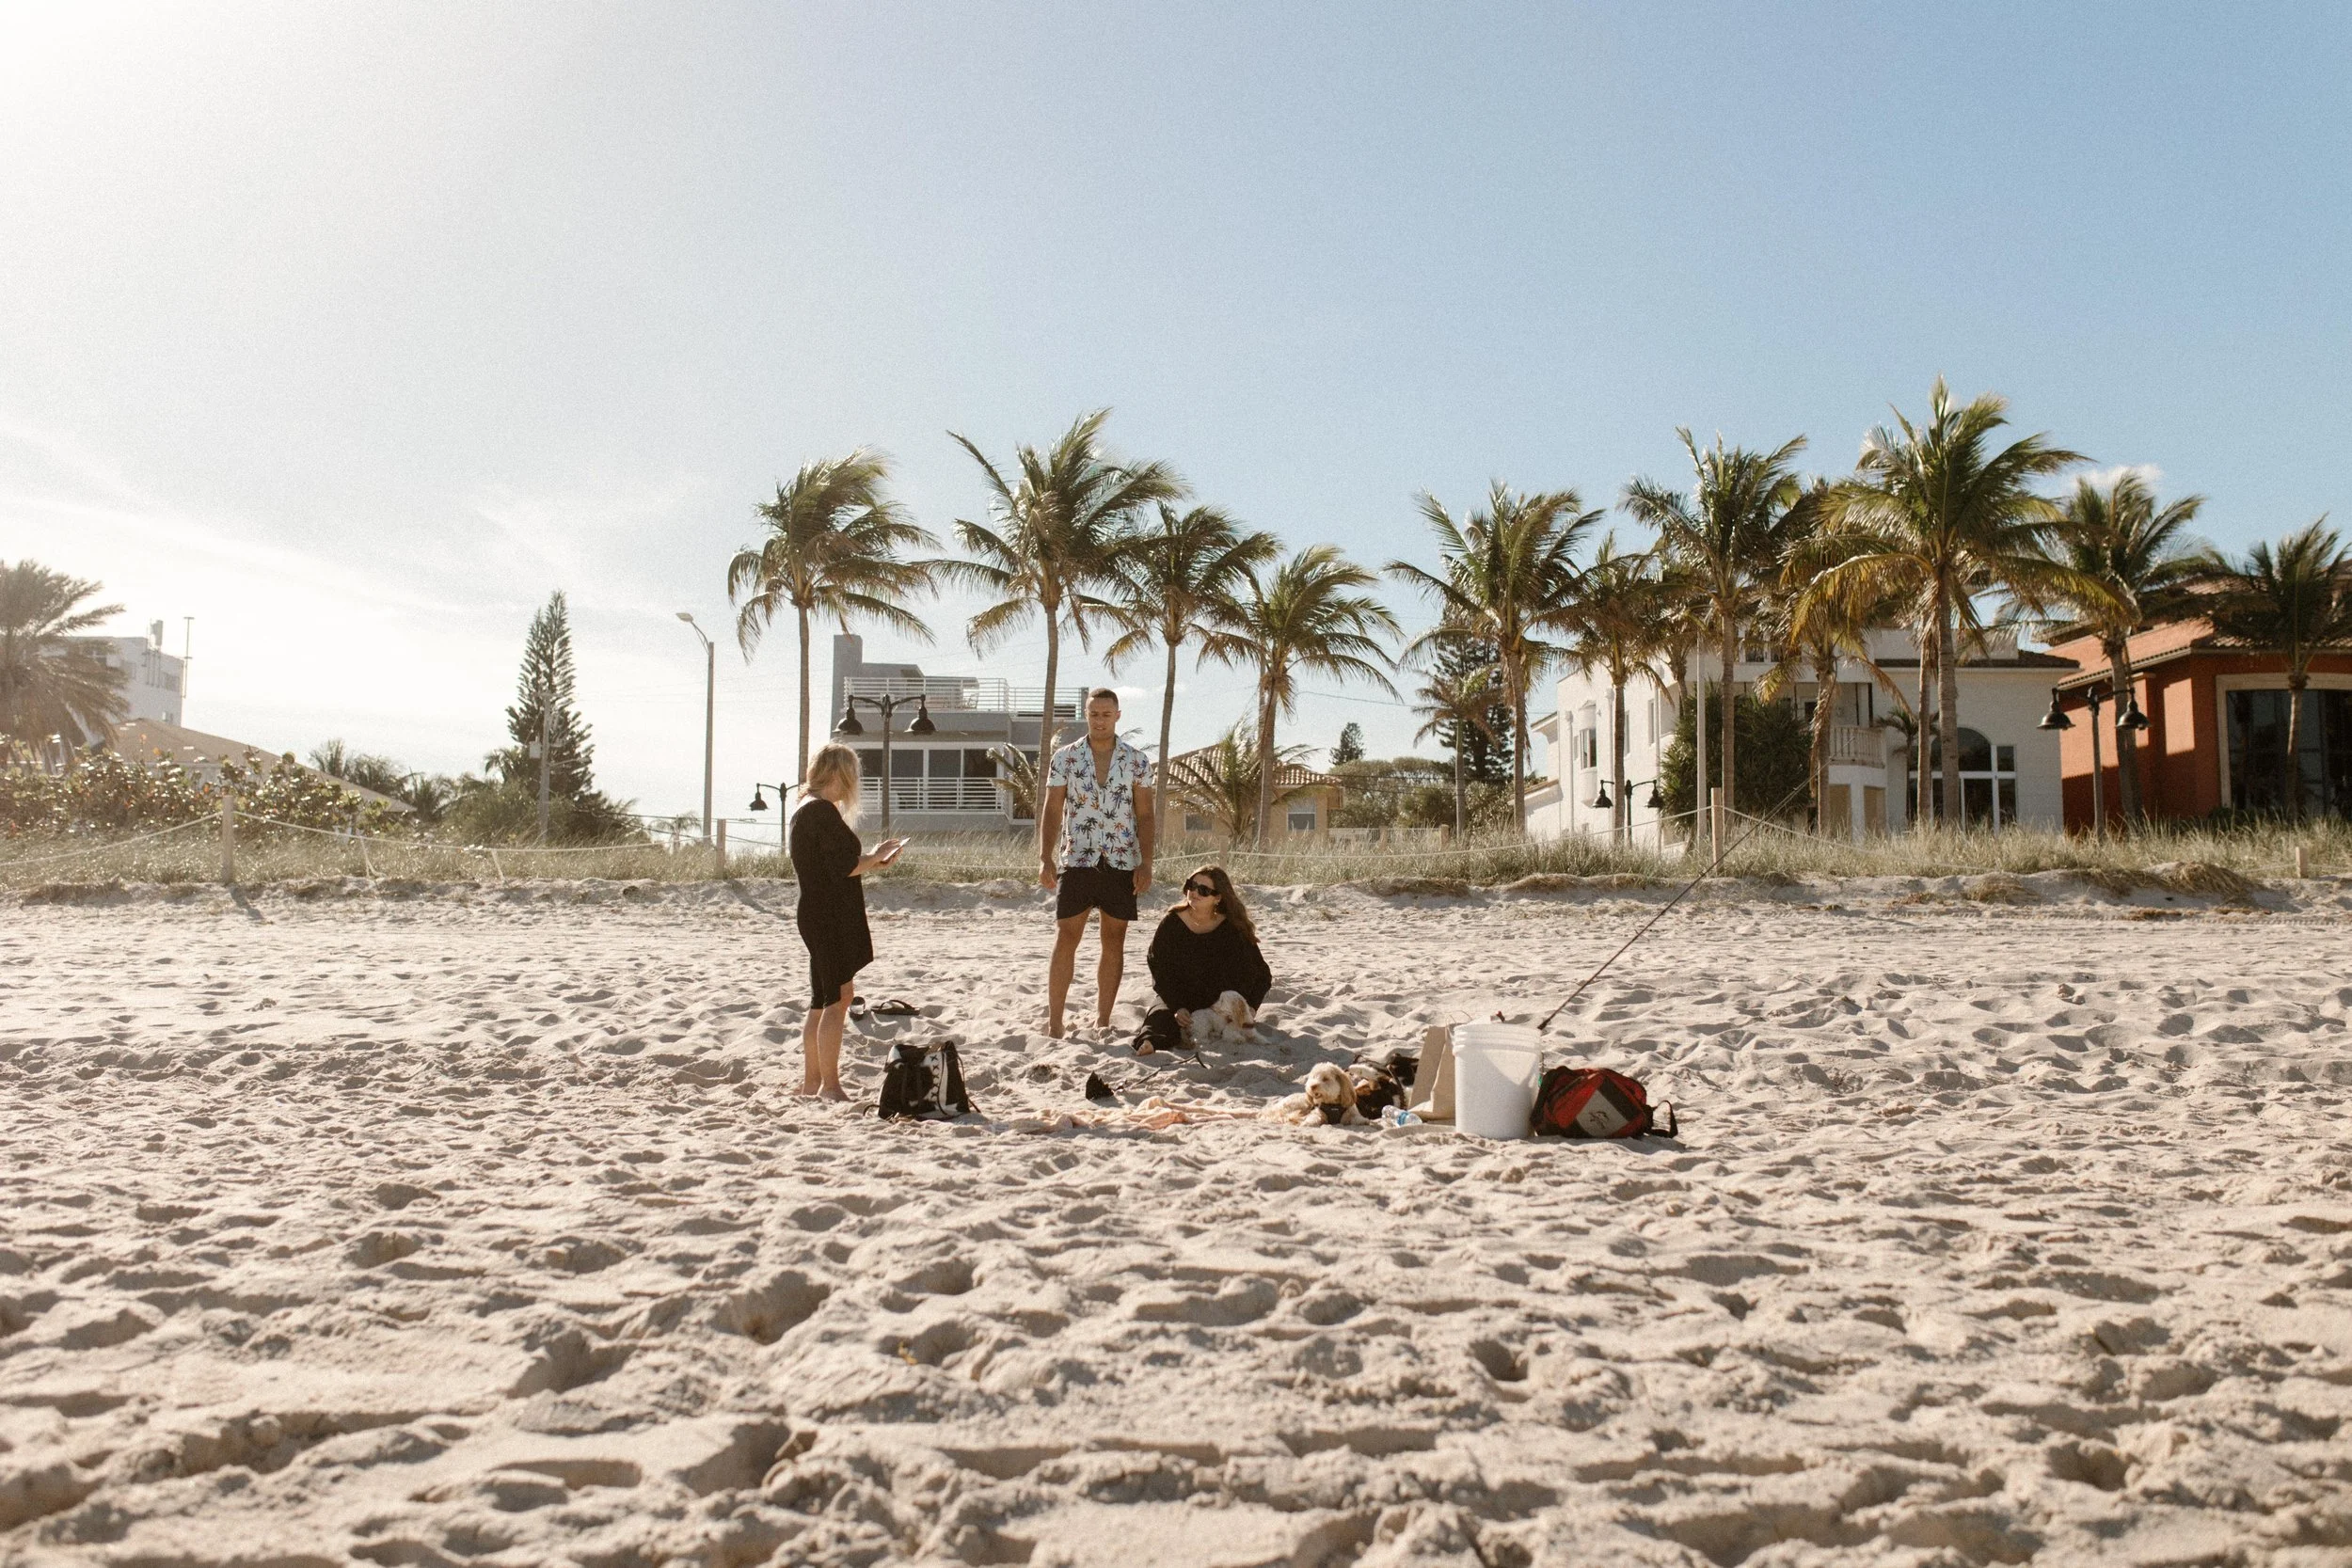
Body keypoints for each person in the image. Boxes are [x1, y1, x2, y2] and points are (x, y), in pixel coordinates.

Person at [1038, 688, 1155, 1038]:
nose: (1100, 719)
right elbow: (1052, 809)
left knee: (1113, 939)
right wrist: (1045, 857)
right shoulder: (1065, 758)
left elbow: (1146, 814)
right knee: (1066, 937)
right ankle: (1055, 1022)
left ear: (1118, 715)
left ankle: (1102, 1019)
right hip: (1077, 858)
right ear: (1086, 715)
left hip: (1122, 861)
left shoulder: (1137, 760)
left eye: (1106, 714)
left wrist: (1146, 862)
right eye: (1094, 713)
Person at [789, 744, 905, 1099]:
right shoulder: (822, 811)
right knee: (838, 999)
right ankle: (830, 1085)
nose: (855, 781)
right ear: (839, 774)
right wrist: (875, 858)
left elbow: (835, 863)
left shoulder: (804, 808)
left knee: (821, 1000)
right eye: (852, 773)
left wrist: (872, 858)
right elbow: (845, 866)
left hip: (815, 911)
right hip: (828, 914)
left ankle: (812, 1082)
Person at [1136, 864, 1271, 1054]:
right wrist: (1177, 1006)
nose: (1194, 892)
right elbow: (1158, 968)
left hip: (1218, 1003)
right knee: (1160, 1018)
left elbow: (1262, 974)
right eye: (1191, 885)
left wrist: (1250, 1008)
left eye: (1204, 890)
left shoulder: (1232, 927)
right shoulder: (1172, 922)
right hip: (1179, 996)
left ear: (1218, 897)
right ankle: (1149, 1044)